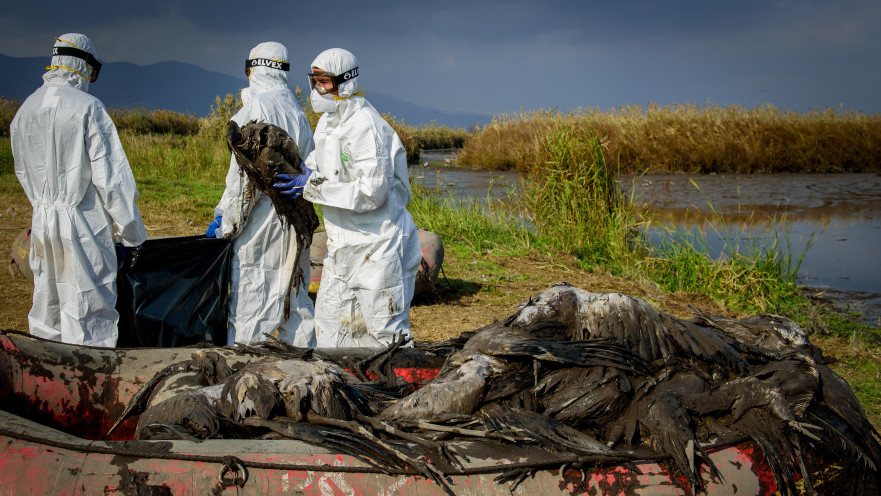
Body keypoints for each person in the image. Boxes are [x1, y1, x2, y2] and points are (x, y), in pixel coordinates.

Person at [274, 48, 422, 348]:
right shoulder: (330, 122)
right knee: (331, 327)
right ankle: (347, 390)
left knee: (385, 333)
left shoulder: (365, 126)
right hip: (343, 245)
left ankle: (399, 392)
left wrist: (311, 186)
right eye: (314, 80)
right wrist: (298, 171)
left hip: (378, 246)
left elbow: (372, 192)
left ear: (346, 82)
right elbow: (318, 163)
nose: (317, 89)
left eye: (324, 81)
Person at [11, 33, 147, 347]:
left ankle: (49, 379)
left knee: (49, 304)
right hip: (83, 225)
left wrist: (44, 205)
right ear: (83, 65)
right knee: (89, 312)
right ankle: (91, 382)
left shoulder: (25, 110)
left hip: (43, 222)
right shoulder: (88, 109)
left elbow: (23, 170)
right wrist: (132, 235)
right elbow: (113, 181)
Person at [207, 41, 317, 347]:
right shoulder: (298, 112)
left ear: (252, 70)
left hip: (261, 224)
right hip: (294, 216)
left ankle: (248, 382)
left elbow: (243, 182)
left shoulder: (253, 109)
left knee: (252, 308)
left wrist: (226, 223)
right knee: (295, 304)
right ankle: (302, 380)